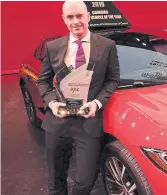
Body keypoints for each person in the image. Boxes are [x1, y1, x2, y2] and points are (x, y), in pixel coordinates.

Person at [37, 1, 120, 195]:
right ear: (64, 19)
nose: (76, 21)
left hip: (89, 121)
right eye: (70, 17)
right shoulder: (53, 47)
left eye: (79, 16)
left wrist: (97, 103)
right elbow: (43, 82)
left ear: (88, 16)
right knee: (55, 181)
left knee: (85, 180)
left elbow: (113, 80)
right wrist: (53, 103)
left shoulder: (107, 46)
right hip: (58, 121)